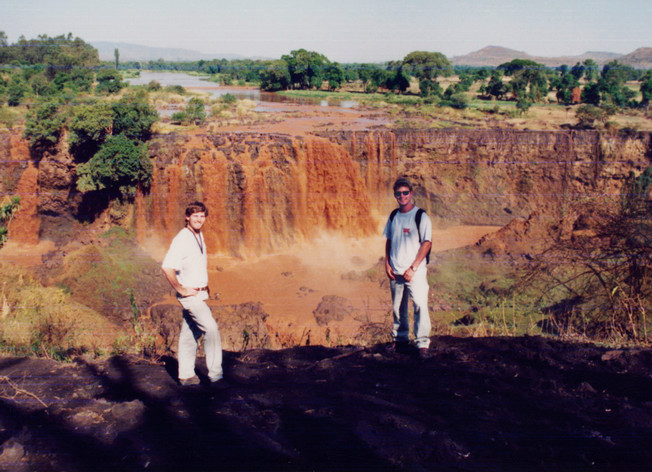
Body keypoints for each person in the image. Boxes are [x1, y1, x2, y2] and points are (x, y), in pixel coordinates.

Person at [161, 201, 223, 385]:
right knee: (211, 329)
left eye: (202, 216)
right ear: (187, 217)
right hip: (190, 296)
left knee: (190, 333)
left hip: (199, 293)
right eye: (195, 215)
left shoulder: (198, 235)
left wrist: (204, 286)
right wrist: (180, 288)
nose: (199, 219)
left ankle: (186, 375)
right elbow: (166, 267)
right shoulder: (182, 238)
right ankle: (216, 377)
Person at [383, 178, 433, 358]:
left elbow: (426, 243)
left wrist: (413, 267)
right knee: (398, 308)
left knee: (420, 305)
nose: (402, 196)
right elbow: (389, 239)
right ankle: (401, 340)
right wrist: (387, 262)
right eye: (398, 193)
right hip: (395, 271)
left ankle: (422, 344)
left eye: (405, 193)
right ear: (395, 195)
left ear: (411, 194)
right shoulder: (393, 216)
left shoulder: (421, 216)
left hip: (415, 272)